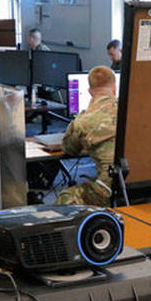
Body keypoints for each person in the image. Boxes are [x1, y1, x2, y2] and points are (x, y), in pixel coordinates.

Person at [53, 65, 117, 207]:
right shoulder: (133, 110)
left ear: (89, 92)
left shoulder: (84, 120)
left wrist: (84, 115)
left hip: (110, 192)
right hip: (143, 188)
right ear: (114, 89)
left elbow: (69, 149)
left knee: (65, 197)